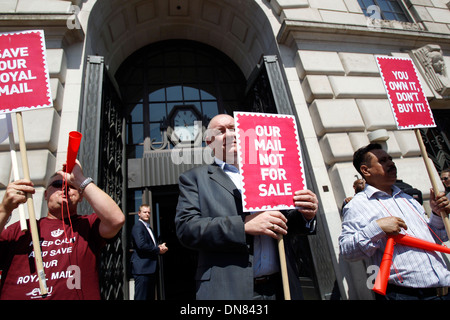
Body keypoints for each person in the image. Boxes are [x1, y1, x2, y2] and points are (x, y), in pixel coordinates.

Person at [175, 114, 319, 300]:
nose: (230, 135)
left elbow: (284, 222)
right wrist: (243, 227)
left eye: (235, 128)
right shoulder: (194, 179)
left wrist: (306, 216)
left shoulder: (271, 170)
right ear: (210, 142)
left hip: (282, 287)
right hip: (229, 291)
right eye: (221, 131)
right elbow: (187, 229)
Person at [339, 143, 450, 300]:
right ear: (365, 170)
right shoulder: (357, 206)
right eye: (383, 160)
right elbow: (347, 251)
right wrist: (377, 228)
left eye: (390, 159)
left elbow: (438, 238)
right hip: (405, 295)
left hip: (444, 291)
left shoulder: (408, 199)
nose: (391, 163)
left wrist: (438, 215)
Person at [0, 160, 125, 299]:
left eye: (72, 186)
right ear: (46, 194)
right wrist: (4, 210)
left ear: (81, 196)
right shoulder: (22, 228)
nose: (65, 188)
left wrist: (81, 180)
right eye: (58, 184)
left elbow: (116, 219)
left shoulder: (87, 225)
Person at [130, 204, 168, 300]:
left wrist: (158, 246)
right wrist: (158, 250)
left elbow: (148, 245)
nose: (147, 214)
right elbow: (141, 245)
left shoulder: (149, 228)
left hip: (150, 269)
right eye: (145, 212)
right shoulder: (138, 227)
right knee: (141, 297)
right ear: (139, 213)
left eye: (149, 212)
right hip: (142, 269)